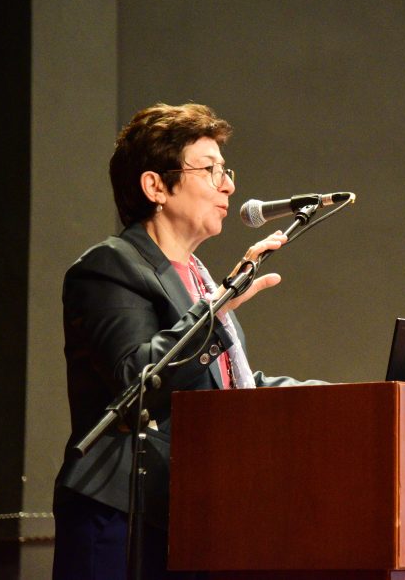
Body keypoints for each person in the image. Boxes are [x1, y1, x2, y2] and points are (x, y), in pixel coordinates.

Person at [53, 103, 322, 579]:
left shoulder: (198, 280)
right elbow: (138, 380)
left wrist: (339, 398)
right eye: (210, 169)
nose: (228, 185)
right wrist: (219, 307)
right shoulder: (109, 267)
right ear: (155, 186)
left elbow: (225, 386)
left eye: (226, 170)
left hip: (189, 512)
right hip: (120, 516)